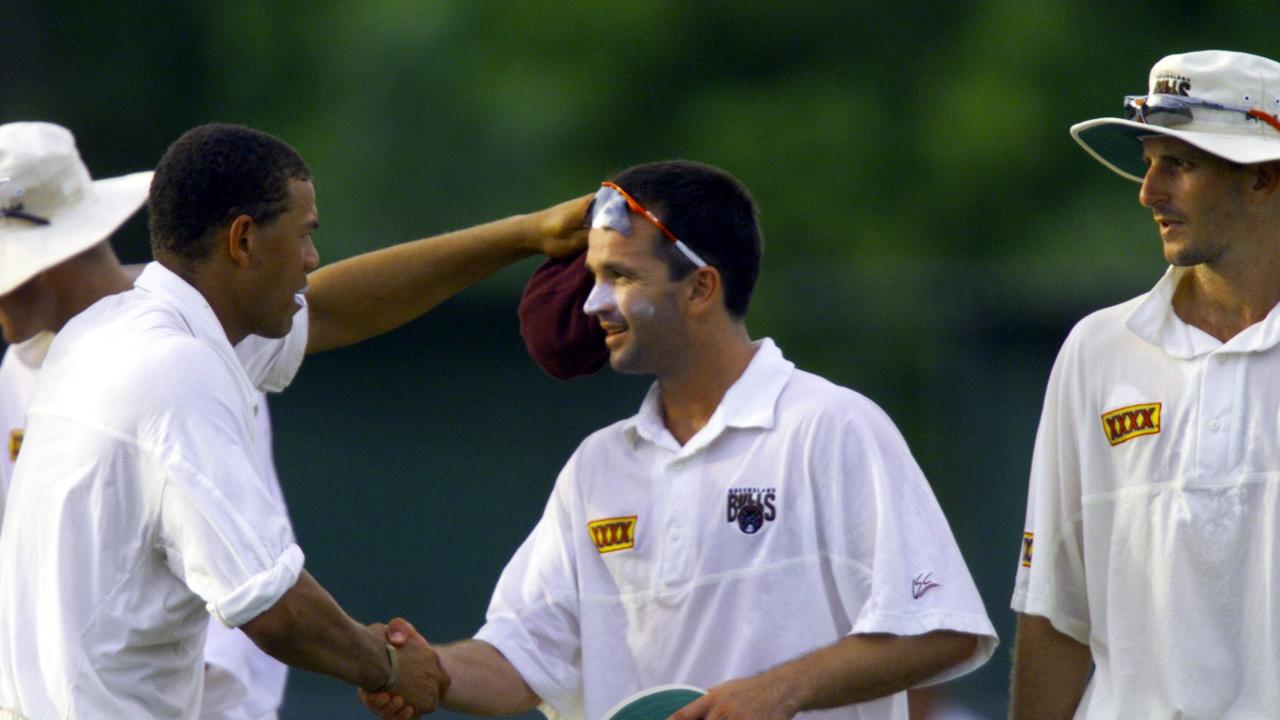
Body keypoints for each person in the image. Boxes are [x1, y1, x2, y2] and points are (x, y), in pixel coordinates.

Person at [366, 160, 997, 720]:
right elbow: (525, 658)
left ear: (700, 288)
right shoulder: (598, 466)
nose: (592, 304)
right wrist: (426, 671)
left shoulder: (830, 427)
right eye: (593, 276)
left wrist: (778, 691)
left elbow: (942, 629)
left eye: (621, 277)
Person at [0, 122, 589, 719]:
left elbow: (330, 307)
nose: (311, 260)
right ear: (244, 241)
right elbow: (274, 609)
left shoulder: (104, 336)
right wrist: (389, 665)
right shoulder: (174, 369)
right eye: (305, 235)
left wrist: (527, 234)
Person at [1009, 50, 1280, 718]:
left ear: (1264, 179)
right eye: (1151, 161)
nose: (1148, 191)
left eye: (1180, 165)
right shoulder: (1096, 350)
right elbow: (1053, 612)